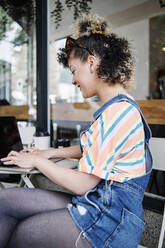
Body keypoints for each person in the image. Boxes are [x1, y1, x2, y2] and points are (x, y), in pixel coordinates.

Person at [0, 14, 152, 248]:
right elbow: (91, 148)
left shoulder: (119, 113)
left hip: (108, 224)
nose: (72, 80)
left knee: (23, 232)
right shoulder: (118, 107)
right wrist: (46, 153)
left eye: (73, 70)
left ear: (91, 63)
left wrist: (38, 163)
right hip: (96, 206)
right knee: (5, 201)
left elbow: (83, 184)